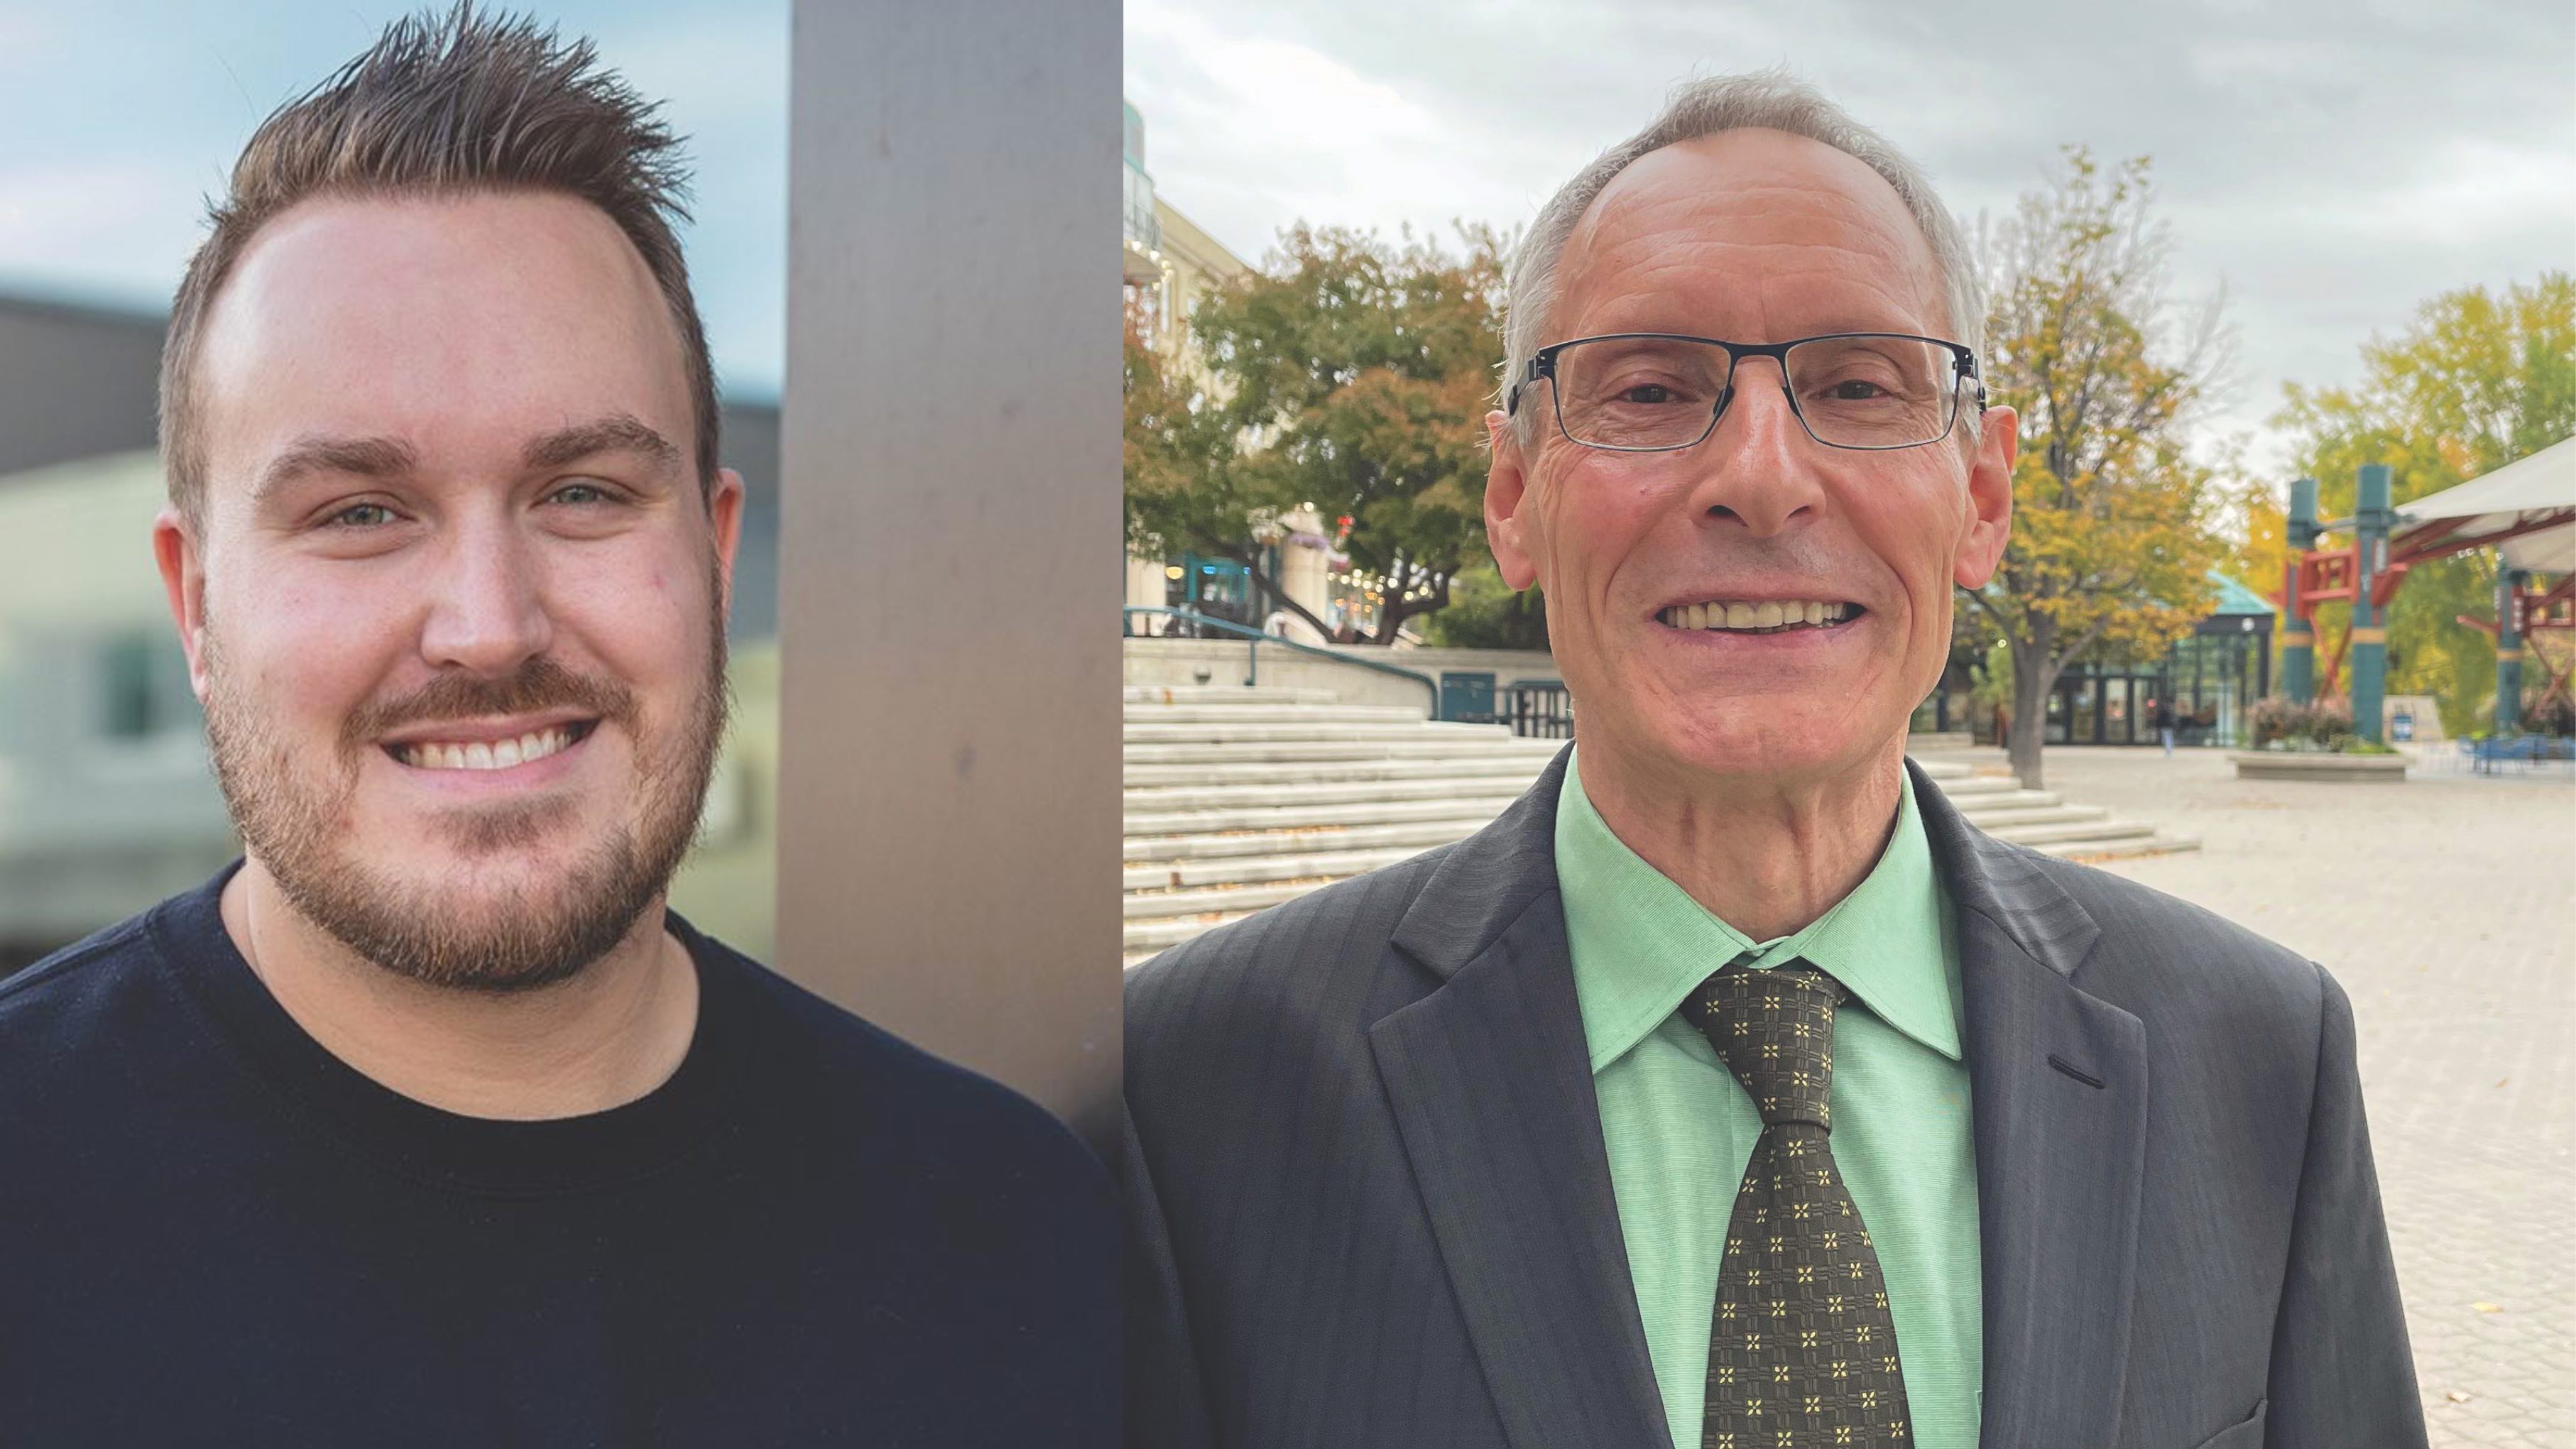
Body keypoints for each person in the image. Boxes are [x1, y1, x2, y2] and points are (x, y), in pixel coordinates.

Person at [1125, 72, 2423, 1449]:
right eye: (1647, 387)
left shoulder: (2254, 1061)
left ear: (1979, 498)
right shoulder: (1199, 1093)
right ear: (1513, 496)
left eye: (1856, 386)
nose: (1760, 474)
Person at [0, 11, 1110, 1444]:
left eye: (582, 491)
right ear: (195, 607)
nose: (489, 623)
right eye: (359, 513)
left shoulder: (1008, 1232)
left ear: (713, 559)